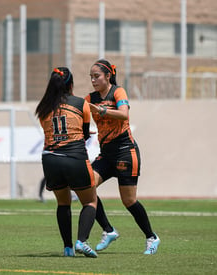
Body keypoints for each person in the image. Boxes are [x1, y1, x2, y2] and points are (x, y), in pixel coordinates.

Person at [85, 59, 160, 255]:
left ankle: (152, 237)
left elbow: (124, 114)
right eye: (91, 77)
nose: (93, 80)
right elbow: (79, 113)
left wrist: (100, 110)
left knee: (128, 200)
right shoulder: (89, 98)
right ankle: (108, 230)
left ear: (108, 76)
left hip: (126, 151)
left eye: (97, 76)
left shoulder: (118, 92)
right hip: (106, 154)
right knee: (86, 187)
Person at [36, 67, 98, 257]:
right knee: (90, 201)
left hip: (50, 158)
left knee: (63, 204)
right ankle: (81, 241)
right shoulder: (81, 103)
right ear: (70, 84)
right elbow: (85, 133)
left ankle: (68, 248)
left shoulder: (43, 108)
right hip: (74, 156)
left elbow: (51, 131)